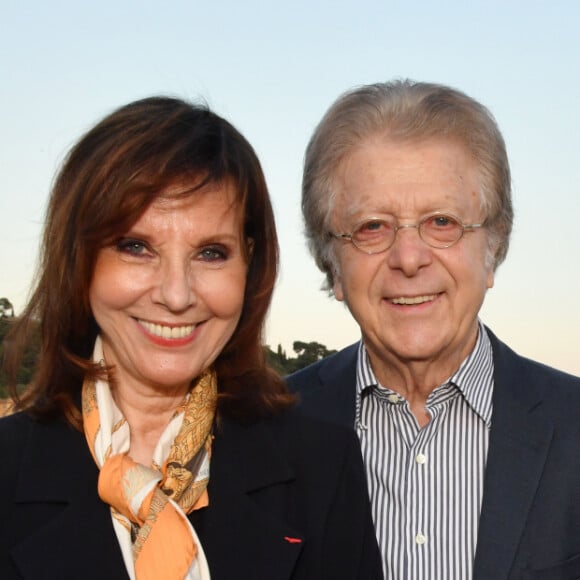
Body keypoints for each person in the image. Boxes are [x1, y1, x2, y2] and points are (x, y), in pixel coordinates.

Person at [0, 97, 383, 580]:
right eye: (136, 247)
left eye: (211, 253)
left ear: (250, 263)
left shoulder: (322, 466)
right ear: (80, 259)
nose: (176, 295)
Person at [287, 80, 580, 579]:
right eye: (372, 226)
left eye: (441, 222)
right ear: (333, 265)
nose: (408, 258)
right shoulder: (262, 436)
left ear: (493, 247)